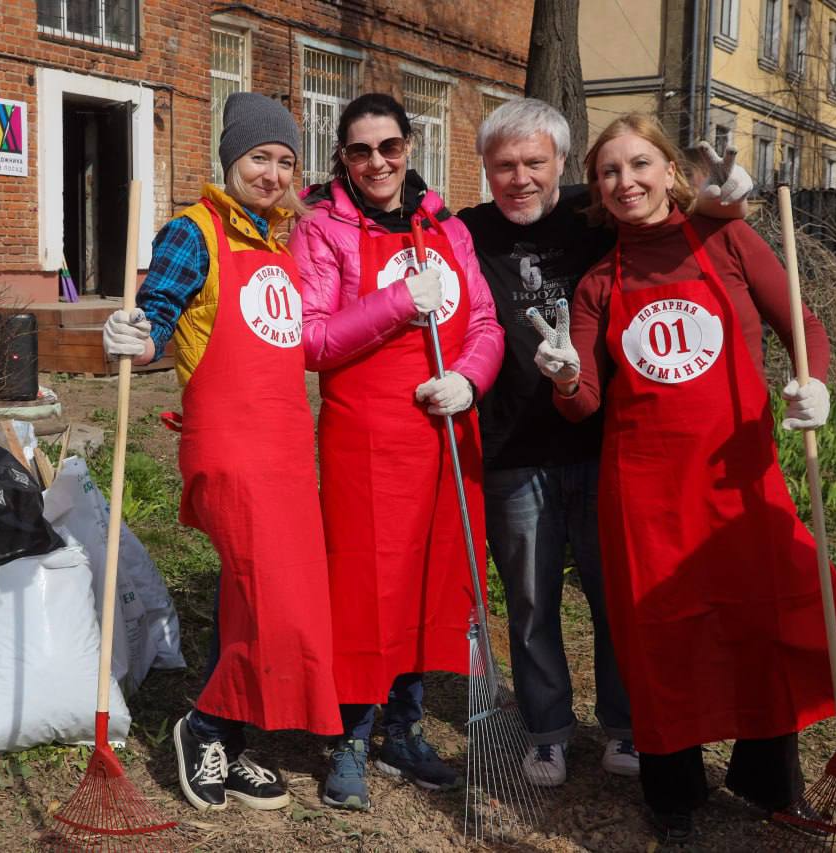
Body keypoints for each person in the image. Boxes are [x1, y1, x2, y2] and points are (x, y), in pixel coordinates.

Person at [542, 112, 836, 843]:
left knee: (760, 620)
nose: (626, 181)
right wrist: (567, 377)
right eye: (609, 171)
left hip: (738, 478)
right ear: (597, 190)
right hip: (645, 492)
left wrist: (814, 384)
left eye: (640, 164)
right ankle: (673, 793)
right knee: (663, 638)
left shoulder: (726, 240)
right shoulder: (599, 282)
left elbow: (804, 327)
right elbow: (585, 404)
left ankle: (768, 780)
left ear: (671, 170)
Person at [458, 98, 752, 788]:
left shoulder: (596, 214)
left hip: (603, 444)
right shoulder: (467, 231)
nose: (520, 179)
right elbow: (400, 224)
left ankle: (625, 725)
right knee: (530, 602)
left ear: (562, 163)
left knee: (615, 593)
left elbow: (668, 215)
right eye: (504, 166)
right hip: (512, 448)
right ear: (486, 170)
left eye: (535, 163)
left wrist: (727, 204)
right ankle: (547, 733)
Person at [102, 91, 343, 813]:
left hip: (287, 446)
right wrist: (136, 337)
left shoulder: (277, 240)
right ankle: (203, 726)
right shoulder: (195, 230)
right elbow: (160, 313)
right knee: (271, 596)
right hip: (231, 444)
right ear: (231, 159)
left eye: (285, 162)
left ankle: (230, 742)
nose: (272, 174)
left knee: (255, 596)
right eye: (259, 157)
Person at [290, 92, 505, 811]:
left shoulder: (444, 224)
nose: (377, 163)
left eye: (389, 147)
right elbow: (312, 339)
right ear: (342, 158)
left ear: (409, 146)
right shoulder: (323, 228)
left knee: (427, 576)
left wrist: (469, 379)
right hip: (367, 436)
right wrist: (398, 303)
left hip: (442, 430)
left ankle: (405, 729)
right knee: (363, 581)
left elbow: (485, 320)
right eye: (360, 150)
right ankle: (351, 732)